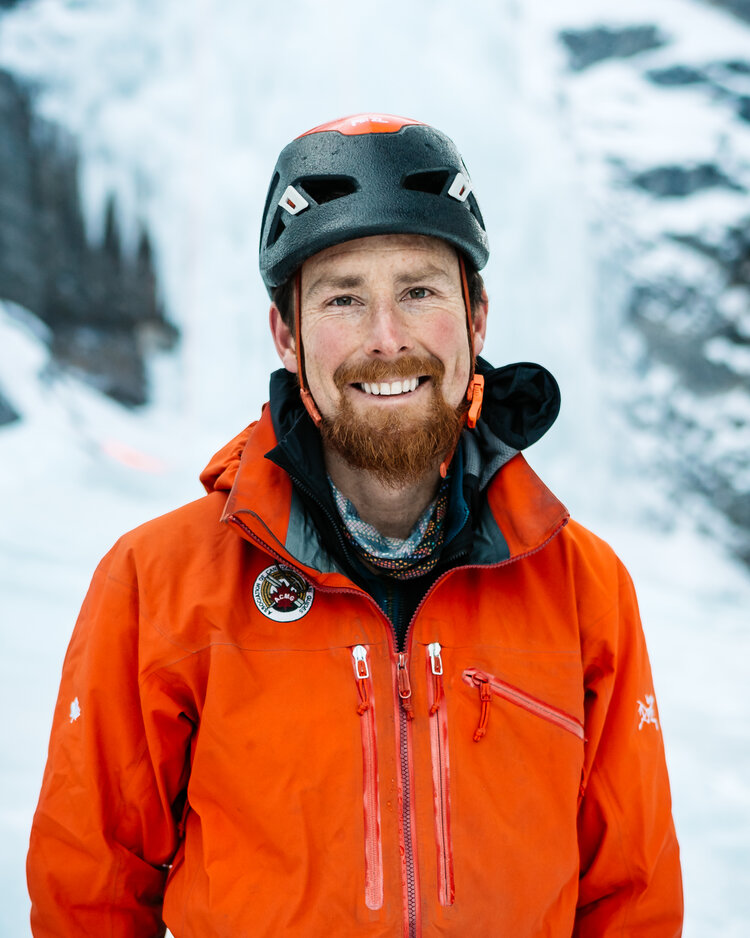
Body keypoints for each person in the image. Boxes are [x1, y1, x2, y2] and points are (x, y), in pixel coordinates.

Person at [27, 113, 683, 937]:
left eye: (418, 290)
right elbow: (87, 898)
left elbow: (633, 902)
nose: (387, 339)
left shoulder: (584, 589)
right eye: (343, 298)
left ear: (476, 318)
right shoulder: (157, 585)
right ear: (287, 335)